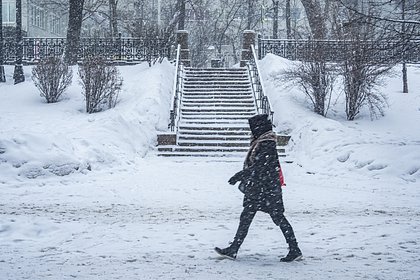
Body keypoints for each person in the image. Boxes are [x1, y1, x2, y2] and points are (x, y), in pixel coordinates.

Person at [214, 114, 302, 262]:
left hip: (266, 190)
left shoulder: (266, 143)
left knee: (277, 217)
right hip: (260, 189)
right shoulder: (262, 142)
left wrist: (240, 175)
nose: (251, 132)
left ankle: (294, 249)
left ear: (258, 128)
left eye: (252, 128)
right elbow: (259, 168)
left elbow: (260, 167)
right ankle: (234, 248)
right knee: (247, 217)